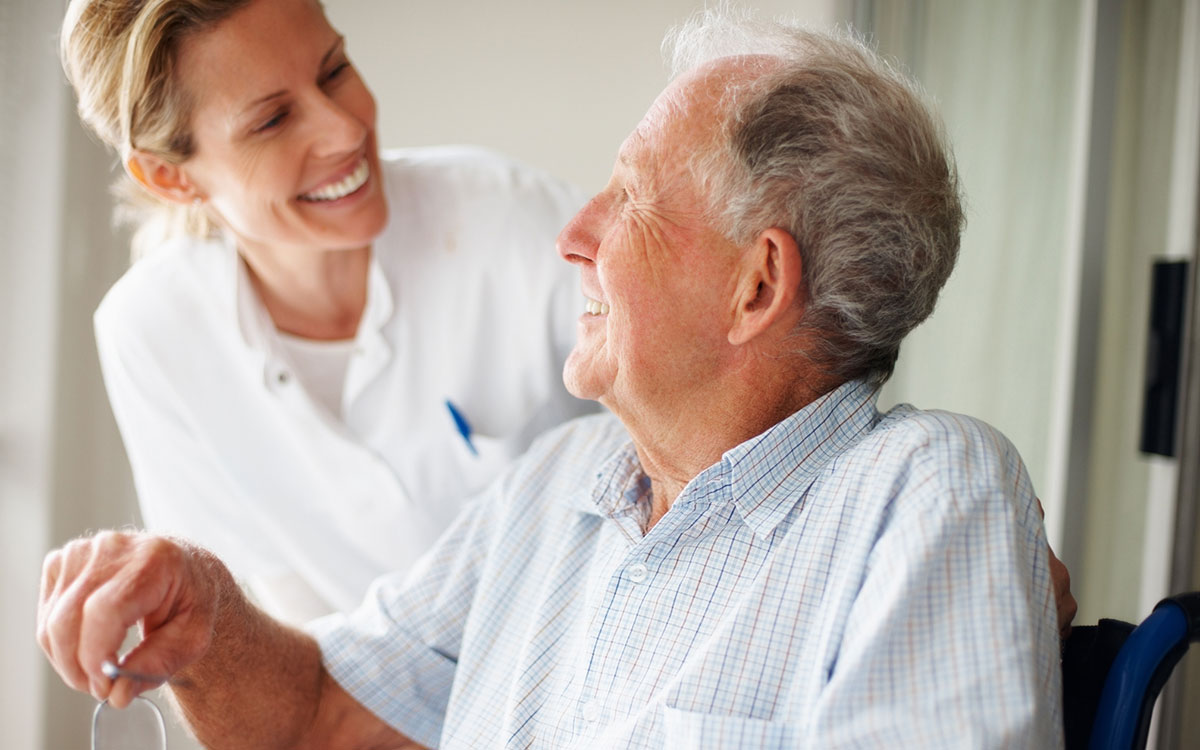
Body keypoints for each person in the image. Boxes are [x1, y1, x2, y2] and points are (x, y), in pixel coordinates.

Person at [39, 12, 1071, 748]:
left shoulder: (922, 495)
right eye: (271, 117)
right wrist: (205, 618)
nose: (572, 236)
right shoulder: (554, 486)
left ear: (757, 285)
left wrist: (1001, 548)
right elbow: (318, 714)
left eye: (626, 201)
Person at [60, 0, 595, 622]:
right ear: (170, 177)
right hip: (374, 703)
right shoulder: (152, 333)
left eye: (334, 69)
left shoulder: (507, 217)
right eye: (273, 120)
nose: (345, 130)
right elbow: (271, 617)